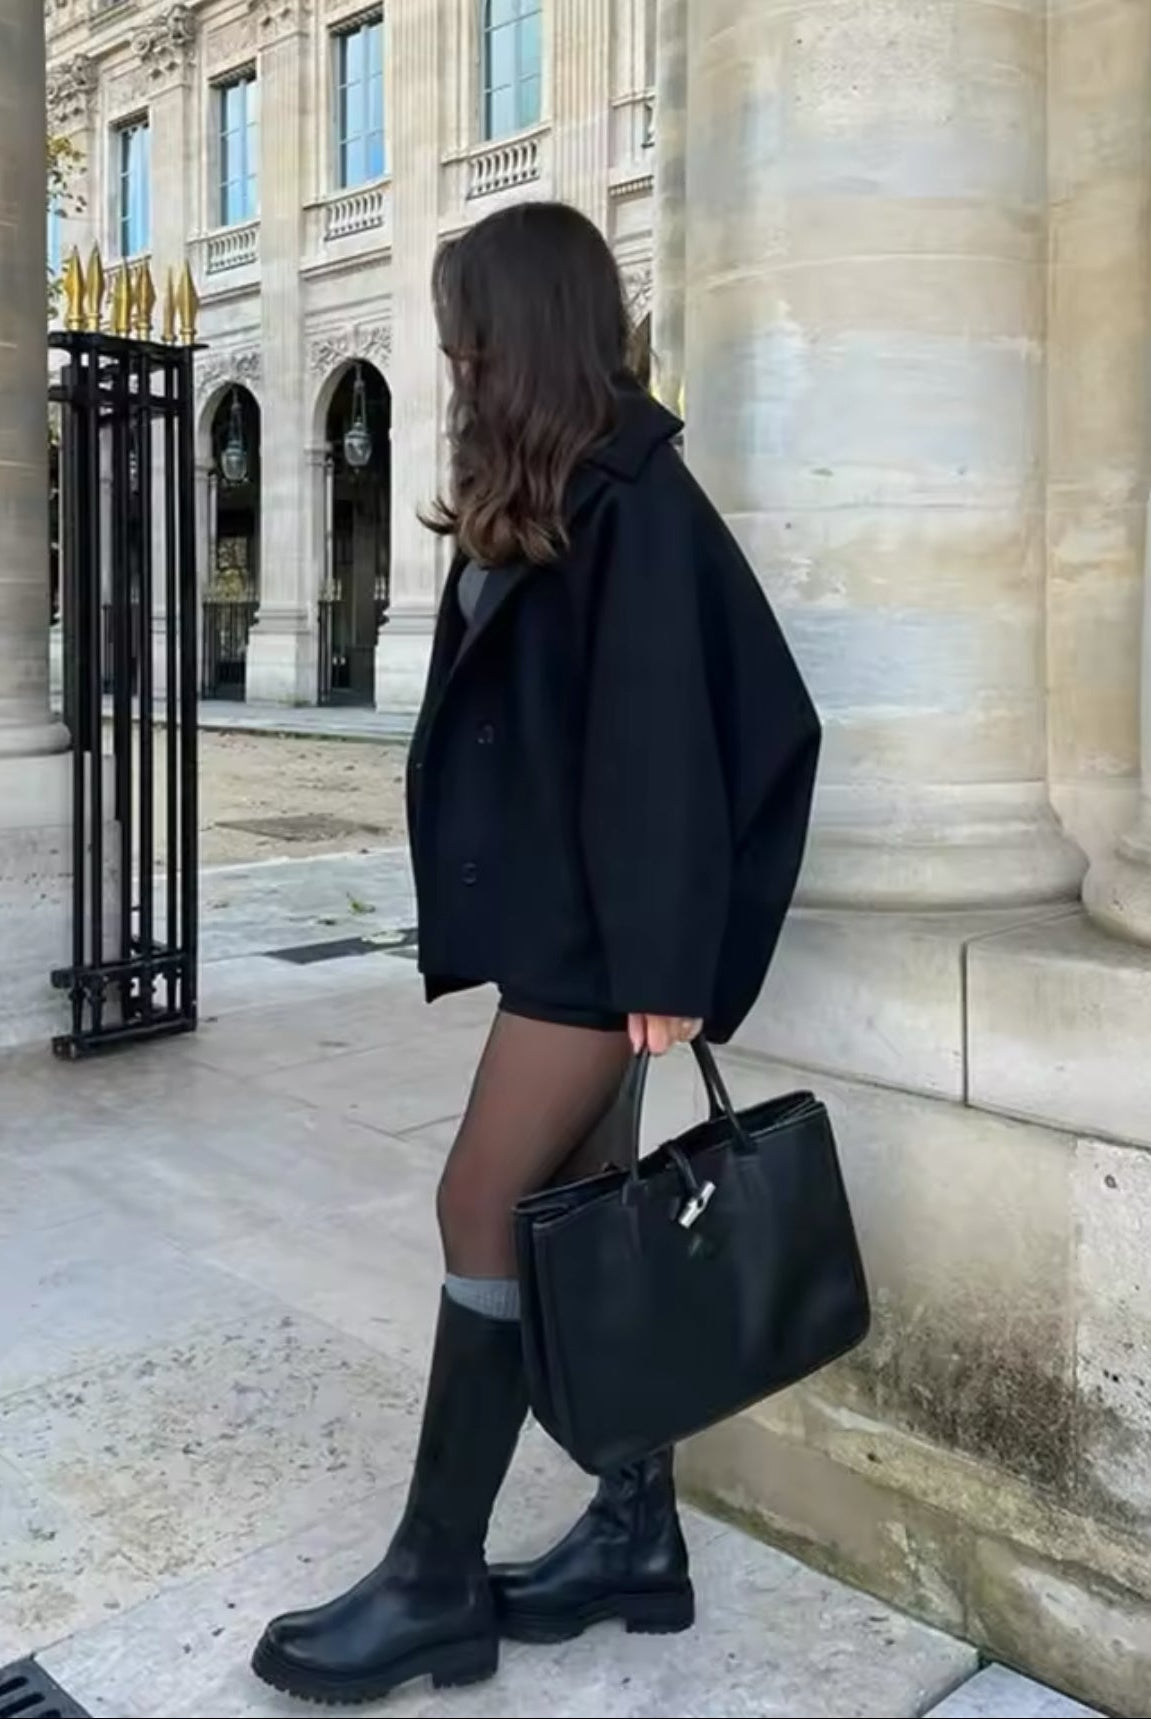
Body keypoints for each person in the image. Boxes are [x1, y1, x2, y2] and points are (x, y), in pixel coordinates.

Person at [251, 201, 821, 1706]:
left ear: (524, 331)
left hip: (604, 947)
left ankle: (435, 1579)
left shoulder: (633, 493)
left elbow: (668, 741)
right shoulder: (564, 483)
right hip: (574, 926)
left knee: (480, 1201)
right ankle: (636, 1536)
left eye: (467, 335)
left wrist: (664, 966)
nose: (453, 361)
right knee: (580, 1213)